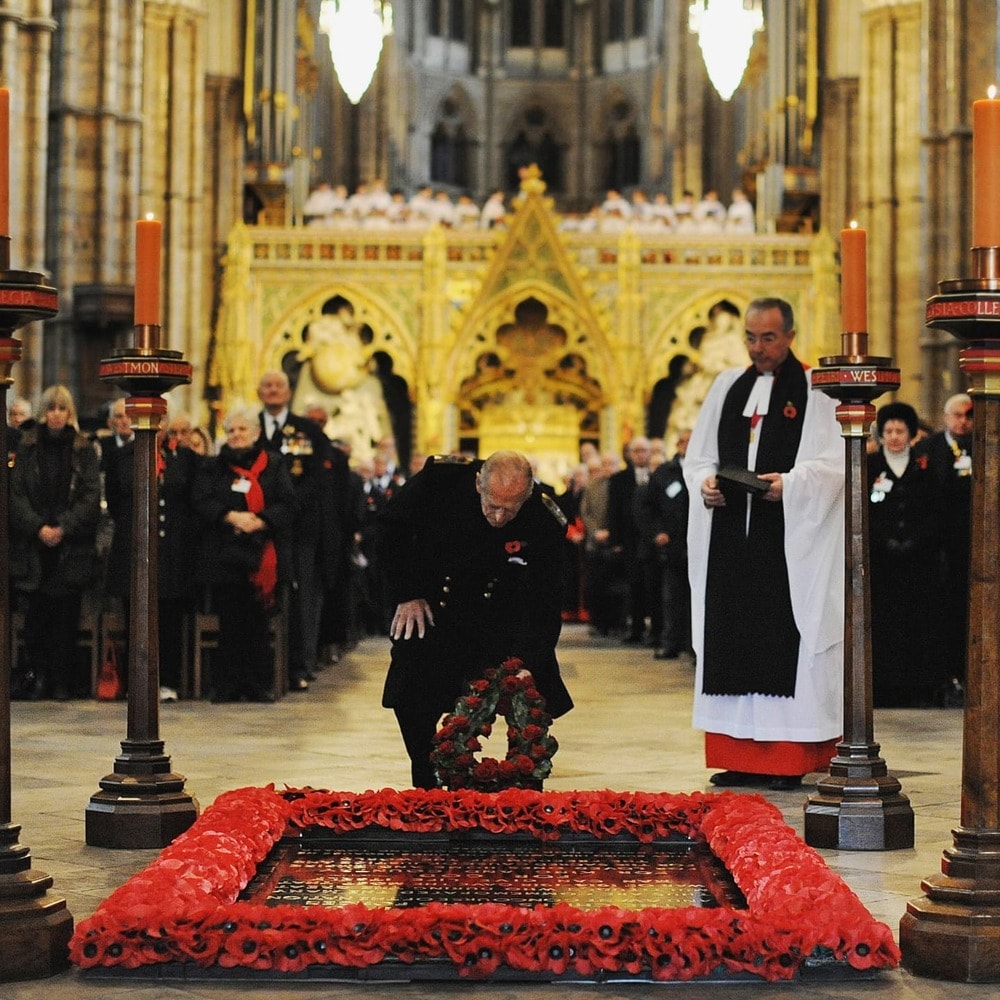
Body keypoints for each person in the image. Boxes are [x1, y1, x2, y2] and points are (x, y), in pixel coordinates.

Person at [685, 297, 844, 791]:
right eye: (751, 338)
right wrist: (706, 484)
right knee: (731, 630)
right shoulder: (726, 386)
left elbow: (834, 464)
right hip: (731, 541)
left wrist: (789, 486)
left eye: (768, 338)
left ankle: (786, 757)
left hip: (785, 540)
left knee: (782, 630)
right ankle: (740, 756)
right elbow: (698, 458)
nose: (758, 348)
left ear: (790, 336)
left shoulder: (817, 390)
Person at [378, 450, 573, 789]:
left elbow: (545, 599)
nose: (498, 517)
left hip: (502, 620)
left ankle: (525, 788)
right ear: (478, 483)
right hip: (434, 606)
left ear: (527, 494)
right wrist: (407, 593)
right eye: (492, 505)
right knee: (410, 693)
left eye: (509, 509)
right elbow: (388, 532)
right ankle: (428, 780)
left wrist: (529, 657)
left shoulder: (543, 518)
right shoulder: (439, 482)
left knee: (532, 692)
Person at [192, 404, 297, 702]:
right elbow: (202, 499)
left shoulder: (274, 465)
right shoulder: (213, 466)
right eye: (231, 430)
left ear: (256, 433)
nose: (236, 435)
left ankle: (257, 683)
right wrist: (231, 517)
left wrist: (260, 520)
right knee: (229, 621)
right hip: (225, 554)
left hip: (262, 554)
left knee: (257, 622)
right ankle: (226, 684)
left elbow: (288, 504)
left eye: (242, 429)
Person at [9, 385, 101, 700]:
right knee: (36, 619)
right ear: (43, 412)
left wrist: (63, 527)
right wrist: (38, 527)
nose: (57, 415)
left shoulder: (83, 448)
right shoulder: (28, 446)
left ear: (70, 413)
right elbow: (16, 493)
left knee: (65, 617)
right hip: (34, 546)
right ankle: (39, 677)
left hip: (70, 547)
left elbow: (91, 495)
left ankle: (62, 681)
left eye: (62, 409)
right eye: (51, 409)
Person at [258, 369, 342, 691]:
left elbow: (318, 481)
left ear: (289, 391)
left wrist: (287, 506)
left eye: (279, 385)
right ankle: (266, 666)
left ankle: (300, 666)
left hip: (301, 530)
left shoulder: (307, 431)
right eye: (267, 385)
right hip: (264, 528)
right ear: (260, 392)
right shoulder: (253, 429)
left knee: (303, 599)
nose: (273, 390)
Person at [867, 402, 938, 707]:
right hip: (881, 561)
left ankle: (915, 689)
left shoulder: (925, 466)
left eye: (900, 430)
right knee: (883, 624)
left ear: (911, 434)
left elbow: (935, 512)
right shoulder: (870, 466)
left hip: (917, 562)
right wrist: (884, 541)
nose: (894, 436)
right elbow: (865, 511)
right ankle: (883, 689)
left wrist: (915, 541)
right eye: (888, 431)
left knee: (916, 623)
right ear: (880, 435)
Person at [916, 392, 973, 705]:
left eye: (968, 416)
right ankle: (944, 680)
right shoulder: (930, 447)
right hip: (938, 548)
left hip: (973, 543)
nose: (963, 422)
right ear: (945, 417)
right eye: (957, 416)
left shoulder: (984, 443)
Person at [640, 428, 692, 660]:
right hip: (673, 547)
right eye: (683, 442)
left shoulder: (706, 470)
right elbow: (647, 507)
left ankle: (694, 645)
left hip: (696, 544)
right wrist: (657, 531)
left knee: (696, 596)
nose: (687, 446)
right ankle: (671, 641)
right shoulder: (664, 473)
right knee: (672, 597)